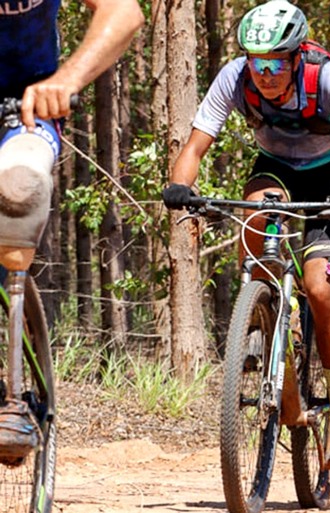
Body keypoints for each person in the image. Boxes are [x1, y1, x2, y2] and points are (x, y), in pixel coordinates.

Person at [161, 0, 330, 472]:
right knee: (257, 242)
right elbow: (196, 145)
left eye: (274, 64)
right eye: (256, 62)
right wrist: (182, 190)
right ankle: (266, 324)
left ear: (295, 57)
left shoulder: (326, 77)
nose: (264, 73)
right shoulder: (235, 77)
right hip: (276, 170)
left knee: (321, 289)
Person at [0, 0, 144, 463]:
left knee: (17, 187)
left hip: (24, 109)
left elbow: (123, 12)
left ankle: (15, 396)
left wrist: (66, 79)